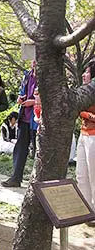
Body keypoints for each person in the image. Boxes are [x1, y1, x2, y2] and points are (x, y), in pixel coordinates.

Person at [2, 60, 38, 187]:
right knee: (20, 148)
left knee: (38, 151)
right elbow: (22, 91)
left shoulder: (46, 76)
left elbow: (49, 97)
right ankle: (16, 178)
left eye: (37, 60)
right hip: (24, 117)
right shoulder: (27, 75)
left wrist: (33, 102)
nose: (34, 62)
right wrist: (20, 97)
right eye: (33, 59)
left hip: (37, 120)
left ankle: (38, 181)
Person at [76, 62, 95, 226]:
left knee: (94, 175)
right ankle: (86, 210)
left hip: (94, 137)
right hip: (83, 134)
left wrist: (86, 114)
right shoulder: (84, 91)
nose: (84, 75)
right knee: (81, 175)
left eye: (87, 72)